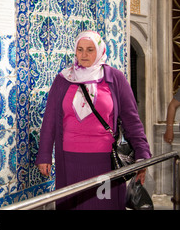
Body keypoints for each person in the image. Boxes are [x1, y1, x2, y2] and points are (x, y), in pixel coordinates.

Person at [36, 30, 151, 210]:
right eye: (80, 49)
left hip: (104, 163)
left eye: (90, 50)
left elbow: (132, 121)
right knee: (73, 204)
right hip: (70, 160)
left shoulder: (115, 78)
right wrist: (44, 155)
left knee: (102, 204)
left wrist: (142, 155)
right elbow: (49, 120)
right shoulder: (63, 79)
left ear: (100, 50)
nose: (84, 55)